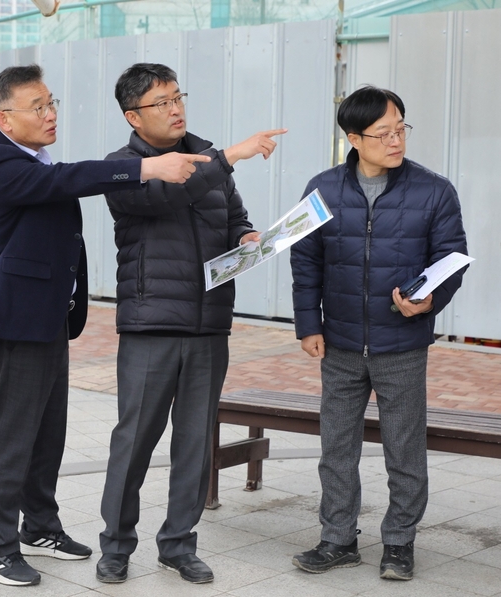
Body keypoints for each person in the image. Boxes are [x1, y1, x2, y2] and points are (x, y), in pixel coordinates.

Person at [0, 64, 211, 587]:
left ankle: (40, 527)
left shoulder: (33, 159)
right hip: (13, 320)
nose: (51, 114)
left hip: (45, 319)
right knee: (13, 438)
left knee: (46, 434)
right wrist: (147, 168)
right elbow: (66, 180)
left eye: (51, 103)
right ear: (5, 119)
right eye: (38, 107)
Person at [95, 62, 286, 585]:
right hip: (151, 325)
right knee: (134, 440)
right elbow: (168, 194)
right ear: (133, 116)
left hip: (208, 325)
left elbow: (234, 217)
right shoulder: (122, 168)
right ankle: (116, 546)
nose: (176, 109)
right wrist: (229, 157)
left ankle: (178, 544)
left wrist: (246, 238)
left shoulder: (208, 159)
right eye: (162, 102)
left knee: (196, 442)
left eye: (178, 97)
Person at [290, 85, 468, 581]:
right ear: (354, 138)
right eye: (383, 133)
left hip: (402, 344)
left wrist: (431, 300)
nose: (396, 141)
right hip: (340, 344)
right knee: (336, 448)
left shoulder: (434, 190)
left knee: (404, 449)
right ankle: (337, 538)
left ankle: (399, 543)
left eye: (401, 129)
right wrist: (308, 325)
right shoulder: (322, 189)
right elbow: (306, 261)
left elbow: (451, 259)